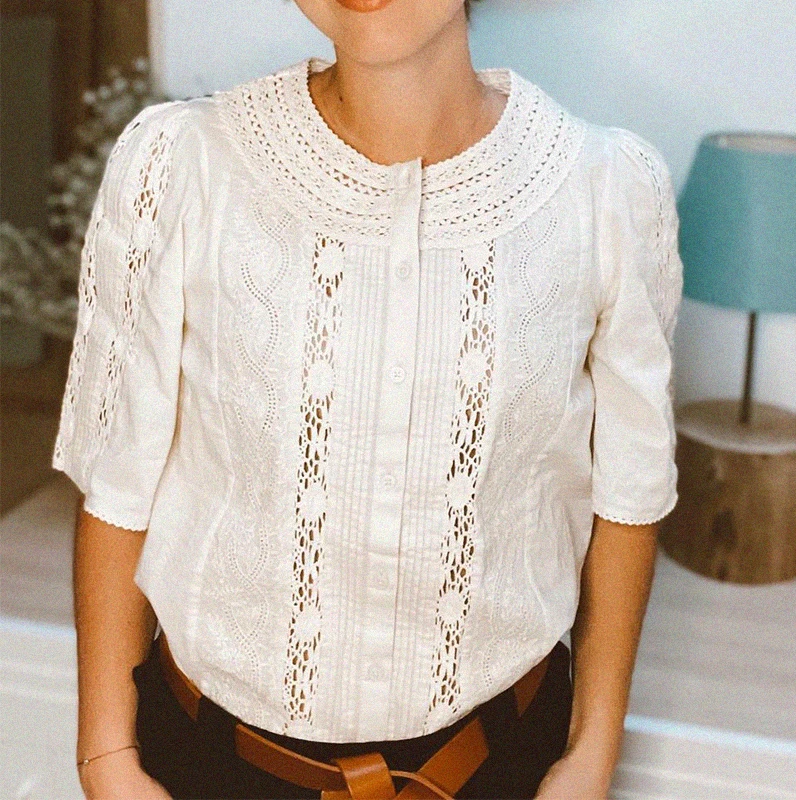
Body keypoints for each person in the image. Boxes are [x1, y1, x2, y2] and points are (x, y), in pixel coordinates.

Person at [52, 0, 683, 797]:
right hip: (206, 765)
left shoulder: (608, 190)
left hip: (507, 764)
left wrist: (592, 753)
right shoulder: (181, 163)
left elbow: (628, 499)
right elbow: (118, 485)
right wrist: (106, 760)